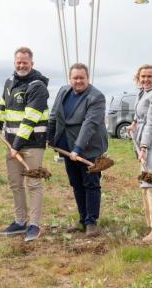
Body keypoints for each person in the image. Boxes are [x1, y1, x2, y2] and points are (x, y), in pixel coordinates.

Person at [0, 47, 49, 242]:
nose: (21, 65)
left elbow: (30, 119)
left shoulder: (38, 86)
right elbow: (3, 104)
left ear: (32, 63)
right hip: (12, 143)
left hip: (32, 144)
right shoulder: (9, 81)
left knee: (33, 183)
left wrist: (16, 145)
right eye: (18, 62)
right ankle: (19, 221)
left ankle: (34, 225)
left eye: (25, 62)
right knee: (15, 184)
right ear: (14, 62)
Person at [47, 63, 108, 238]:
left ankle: (91, 222)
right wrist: (49, 138)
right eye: (75, 78)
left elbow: (89, 124)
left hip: (89, 149)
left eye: (82, 77)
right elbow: (54, 115)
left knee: (91, 184)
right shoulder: (63, 91)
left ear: (88, 78)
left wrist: (78, 148)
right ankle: (82, 219)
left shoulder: (96, 97)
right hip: (67, 148)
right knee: (76, 183)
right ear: (70, 78)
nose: (78, 81)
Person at [127, 64, 152, 243]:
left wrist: (144, 146)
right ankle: (150, 222)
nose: (146, 79)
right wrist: (134, 124)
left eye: (149, 76)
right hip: (143, 135)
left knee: (151, 182)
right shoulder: (142, 92)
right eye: (143, 76)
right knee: (145, 180)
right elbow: (140, 114)